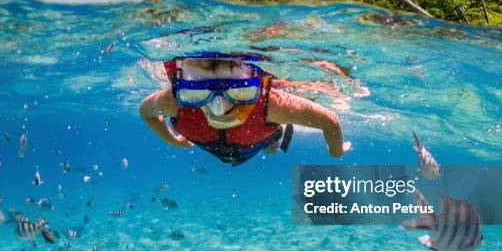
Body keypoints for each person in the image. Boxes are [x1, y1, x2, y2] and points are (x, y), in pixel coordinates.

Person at [139, 53, 351, 166]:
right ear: (184, 89)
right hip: (218, 143)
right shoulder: (175, 101)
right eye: (198, 94)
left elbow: (329, 120)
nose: (219, 108)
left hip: (261, 139)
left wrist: (336, 151)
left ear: (256, 87)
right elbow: (146, 112)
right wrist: (172, 140)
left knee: (273, 144)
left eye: (239, 93)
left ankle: (276, 137)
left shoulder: (271, 103)